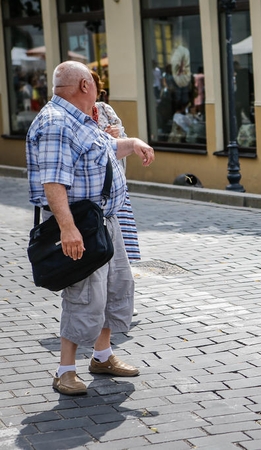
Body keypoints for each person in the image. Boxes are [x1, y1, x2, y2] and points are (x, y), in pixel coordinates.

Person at [26, 61, 155, 395]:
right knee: (83, 295)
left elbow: (107, 148)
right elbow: (54, 181)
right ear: (85, 86)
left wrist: (134, 143)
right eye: (94, 84)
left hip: (103, 222)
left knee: (116, 289)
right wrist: (68, 229)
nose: (98, 90)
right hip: (81, 224)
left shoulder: (78, 118)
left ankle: (102, 356)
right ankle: (65, 371)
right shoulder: (57, 122)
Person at [90, 71, 141, 262]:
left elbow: (124, 139)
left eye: (94, 86)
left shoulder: (104, 109)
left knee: (121, 236)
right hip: (93, 185)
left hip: (114, 179)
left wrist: (118, 134)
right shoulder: (74, 113)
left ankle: (120, 261)